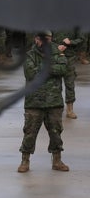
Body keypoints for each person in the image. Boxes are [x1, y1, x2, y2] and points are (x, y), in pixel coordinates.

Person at [17, 31, 70, 173]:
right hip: (35, 101)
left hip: (54, 101)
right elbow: (30, 74)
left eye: (48, 38)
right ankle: (25, 160)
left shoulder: (57, 52)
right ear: (36, 39)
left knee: (56, 133)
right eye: (42, 39)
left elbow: (63, 69)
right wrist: (51, 69)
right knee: (29, 132)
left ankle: (57, 160)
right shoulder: (29, 55)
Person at [52, 29, 84, 119]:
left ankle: (70, 109)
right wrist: (56, 47)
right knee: (55, 83)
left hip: (70, 57)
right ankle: (55, 108)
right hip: (55, 56)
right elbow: (45, 38)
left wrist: (70, 42)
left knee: (70, 83)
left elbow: (81, 39)